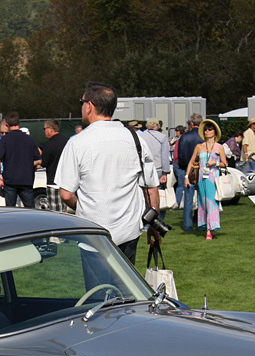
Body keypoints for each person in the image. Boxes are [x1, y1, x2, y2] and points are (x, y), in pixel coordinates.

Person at [55, 81, 160, 264]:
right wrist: (154, 225)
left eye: (82, 102)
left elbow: (65, 194)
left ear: (90, 106)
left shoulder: (77, 143)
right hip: (128, 232)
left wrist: (85, 206)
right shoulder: (135, 139)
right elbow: (151, 188)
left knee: (97, 291)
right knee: (127, 290)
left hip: (92, 233)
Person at [185, 118, 228, 240]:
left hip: (212, 178)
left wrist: (216, 162)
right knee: (203, 203)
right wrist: (186, 177)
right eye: (205, 129)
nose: (207, 131)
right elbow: (191, 162)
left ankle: (210, 229)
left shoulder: (219, 147)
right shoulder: (199, 147)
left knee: (212, 203)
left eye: (210, 129)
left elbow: (225, 163)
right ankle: (206, 226)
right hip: (201, 178)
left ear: (215, 132)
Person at [0, 111, 41, 208]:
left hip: (10, 181)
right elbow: (39, 161)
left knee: (11, 210)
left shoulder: (4, 140)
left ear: (7, 125)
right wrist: (27, 164)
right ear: (19, 123)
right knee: (31, 210)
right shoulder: (30, 140)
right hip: (26, 180)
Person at [177, 114, 203, 231]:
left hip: (189, 168)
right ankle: (200, 221)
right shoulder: (204, 137)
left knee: (188, 198)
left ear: (191, 124)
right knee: (202, 198)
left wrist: (184, 167)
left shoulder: (185, 137)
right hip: (202, 170)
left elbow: (181, 155)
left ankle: (188, 225)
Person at [142, 118, 171, 218]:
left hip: (144, 169)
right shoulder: (162, 137)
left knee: (145, 197)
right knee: (159, 197)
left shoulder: (141, 136)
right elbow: (165, 156)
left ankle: (146, 221)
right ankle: (159, 220)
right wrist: (165, 173)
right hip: (158, 169)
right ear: (156, 126)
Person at [40, 119, 69, 211]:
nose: (44, 131)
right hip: (66, 182)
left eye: (44, 129)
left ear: (50, 129)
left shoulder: (49, 145)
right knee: (65, 211)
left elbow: (44, 163)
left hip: (53, 182)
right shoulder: (68, 142)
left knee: (55, 212)